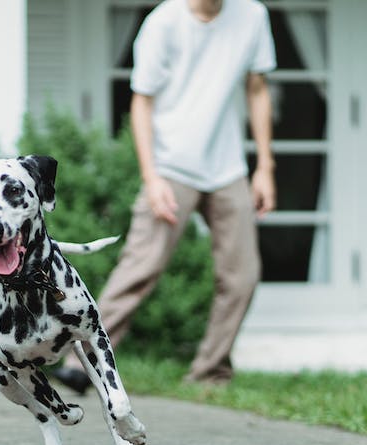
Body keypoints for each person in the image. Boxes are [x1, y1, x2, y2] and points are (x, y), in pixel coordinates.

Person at [56, 0, 276, 391]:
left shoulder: (252, 16)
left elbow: (257, 89)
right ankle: (82, 361)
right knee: (140, 268)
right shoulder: (163, 23)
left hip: (228, 169)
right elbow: (142, 103)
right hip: (172, 167)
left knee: (243, 276)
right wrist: (152, 177)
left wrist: (265, 166)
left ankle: (209, 372)